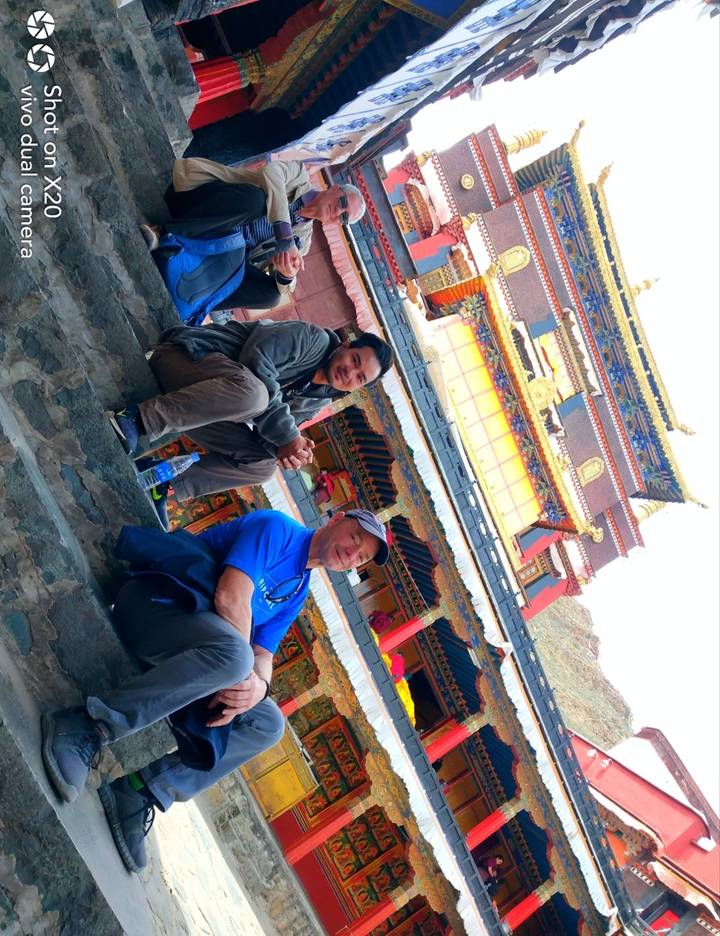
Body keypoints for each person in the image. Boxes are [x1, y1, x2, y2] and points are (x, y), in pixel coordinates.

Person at [41, 507, 389, 873]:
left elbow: (263, 652)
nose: (352, 553)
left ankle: (140, 790)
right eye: (354, 538)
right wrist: (243, 671)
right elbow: (230, 596)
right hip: (154, 607)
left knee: (268, 724)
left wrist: (260, 686)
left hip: (193, 659)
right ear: (336, 520)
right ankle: (89, 726)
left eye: (361, 556)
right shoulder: (280, 531)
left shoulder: (299, 590)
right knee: (236, 659)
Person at [110, 320, 394, 527]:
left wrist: (291, 448)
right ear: (345, 346)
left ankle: (165, 481)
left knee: (264, 466)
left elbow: (266, 434)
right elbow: (255, 362)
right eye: (355, 360)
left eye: (360, 378)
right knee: (255, 396)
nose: (350, 372)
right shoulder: (313, 340)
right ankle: (135, 418)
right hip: (184, 358)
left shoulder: (320, 400)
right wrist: (286, 433)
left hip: (202, 406)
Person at [141, 156, 366, 318]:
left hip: (218, 250)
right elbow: (272, 173)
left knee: (272, 296)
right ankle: (164, 234)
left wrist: (286, 274)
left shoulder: (302, 241)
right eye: (342, 203)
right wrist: (284, 233)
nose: (338, 212)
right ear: (334, 188)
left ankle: (200, 304)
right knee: (256, 201)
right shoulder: (298, 176)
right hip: (196, 205)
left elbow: (287, 284)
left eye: (343, 217)